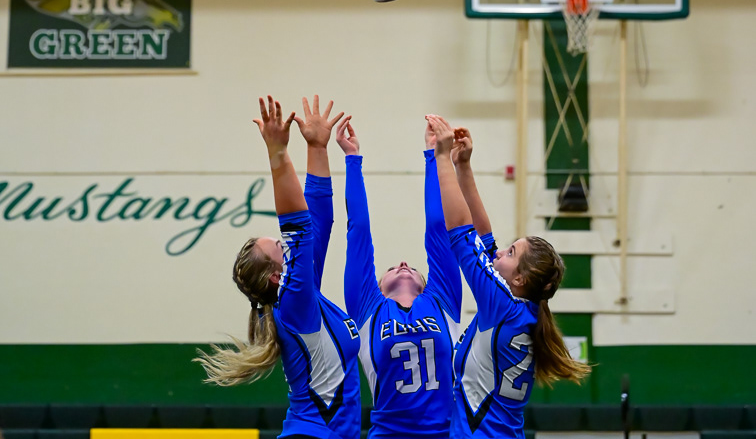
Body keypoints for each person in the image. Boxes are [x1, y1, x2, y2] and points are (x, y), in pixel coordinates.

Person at [196, 96, 361, 439]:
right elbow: (298, 226)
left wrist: (317, 146)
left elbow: (318, 221)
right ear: (277, 276)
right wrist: (277, 153)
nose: (287, 245)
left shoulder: (303, 296)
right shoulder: (294, 304)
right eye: (280, 247)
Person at [424, 114, 591, 439]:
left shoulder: (503, 306)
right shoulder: (519, 310)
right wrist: (464, 166)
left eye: (511, 253)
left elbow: (461, 233)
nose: (500, 252)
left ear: (520, 280)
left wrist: (441, 157)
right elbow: (484, 240)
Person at [335, 116, 461, 439]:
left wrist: (434, 155)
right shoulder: (368, 311)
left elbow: (438, 227)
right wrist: (352, 160)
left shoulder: (441, 301)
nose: (403, 263)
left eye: (410, 267)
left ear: (425, 282)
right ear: (377, 287)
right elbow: (358, 232)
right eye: (393, 267)